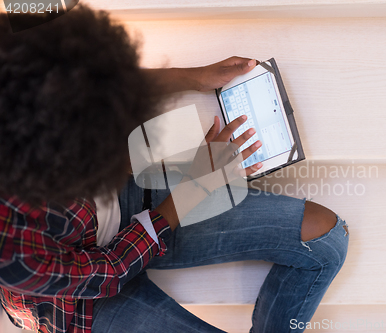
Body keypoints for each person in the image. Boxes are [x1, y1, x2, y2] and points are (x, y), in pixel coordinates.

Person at [0, 5, 349, 333]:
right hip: (78, 301)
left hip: (118, 198)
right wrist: (195, 187)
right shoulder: (10, 250)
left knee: (324, 239)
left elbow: (94, 84)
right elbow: (111, 271)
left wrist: (194, 78)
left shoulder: (16, 59)